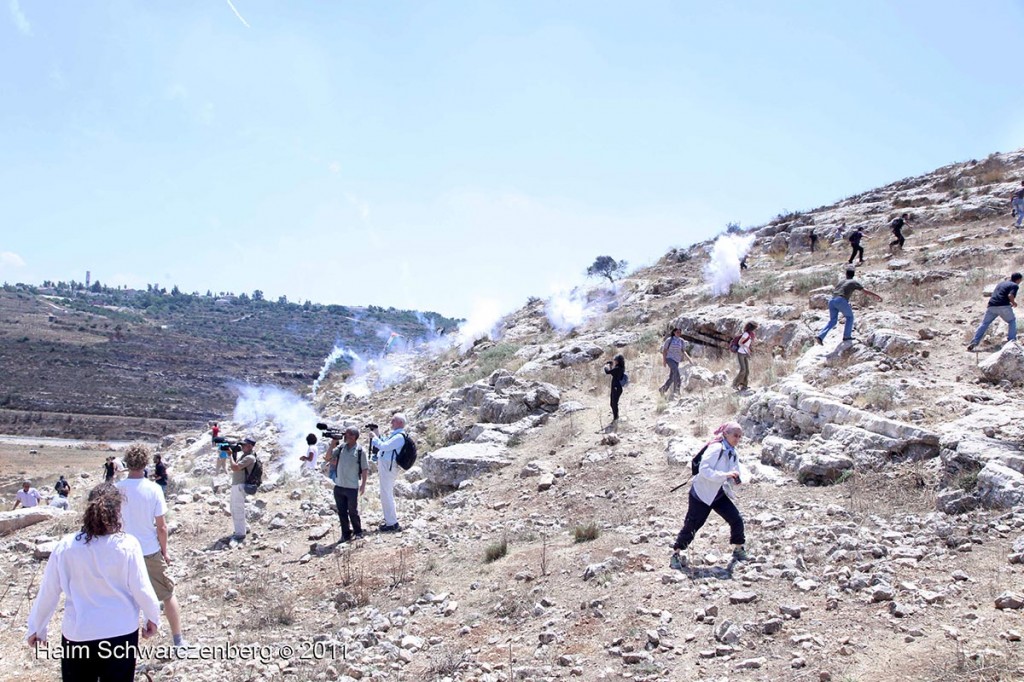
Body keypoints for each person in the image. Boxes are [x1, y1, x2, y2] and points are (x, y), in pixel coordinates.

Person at [25, 483, 160, 682]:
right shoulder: (127, 545)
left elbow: (49, 591)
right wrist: (152, 617)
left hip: (79, 633)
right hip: (120, 632)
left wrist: (37, 628)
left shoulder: (66, 546)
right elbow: (141, 588)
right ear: (118, 511)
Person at [117, 444, 189, 649]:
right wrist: (164, 552)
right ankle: (178, 641)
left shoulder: (117, 489)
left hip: (123, 550)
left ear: (127, 463)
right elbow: (162, 527)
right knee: (167, 594)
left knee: (125, 598)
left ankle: (124, 645)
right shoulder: (154, 489)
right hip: (148, 550)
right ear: (145, 463)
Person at [670, 422, 749, 568]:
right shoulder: (716, 448)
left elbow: (734, 470)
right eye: (735, 436)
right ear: (726, 434)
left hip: (718, 493)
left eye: (740, 436)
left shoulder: (732, 452)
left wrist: (735, 478)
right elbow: (704, 470)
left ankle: (738, 549)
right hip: (701, 494)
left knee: (736, 519)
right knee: (692, 525)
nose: (737, 439)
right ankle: (676, 553)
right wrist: (725, 475)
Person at [815, 268, 883, 344]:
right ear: (853, 275)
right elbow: (865, 292)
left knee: (833, 321)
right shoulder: (853, 282)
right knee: (850, 317)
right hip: (840, 300)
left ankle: (820, 336)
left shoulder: (841, 281)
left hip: (831, 300)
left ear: (846, 274)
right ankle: (847, 336)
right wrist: (876, 295)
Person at [326, 427, 368, 542]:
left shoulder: (360, 451)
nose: (345, 435)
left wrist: (363, 485)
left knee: (353, 511)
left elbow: (365, 469)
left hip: (351, 487)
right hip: (339, 486)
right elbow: (328, 458)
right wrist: (332, 444)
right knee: (342, 512)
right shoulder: (340, 448)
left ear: (354, 436)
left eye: (348, 434)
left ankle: (358, 531)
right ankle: (345, 534)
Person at [369, 415, 409, 533]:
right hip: (387, 466)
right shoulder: (396, 435)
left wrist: (374, 438)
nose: (391, 422)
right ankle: (390, 520)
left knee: (386, 494)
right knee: (385, 493)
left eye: (393, 420)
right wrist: (376, 432)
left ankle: (392, 523)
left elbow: (384, 446)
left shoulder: (399, 437)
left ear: (400, 423)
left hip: (389, 467)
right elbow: (384, 442)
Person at [968, 272, 1022, 351]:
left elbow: (997, 294)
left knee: (984, 323)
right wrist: (1013, 303)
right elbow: (1010, 295)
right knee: (1011, 321)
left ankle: (974, 342)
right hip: (1004, 306)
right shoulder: (1014, 285)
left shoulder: (1001, 284)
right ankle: (1011, 342)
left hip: (992, 305)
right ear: (1018, 280)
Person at [228, 437, 258, 542]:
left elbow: (235, 467)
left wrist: (230, 455)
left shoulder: (249, 457)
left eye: (244, 445)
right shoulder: (245, 456)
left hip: (240, 485)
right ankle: (245, 527)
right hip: (237, 485)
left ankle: (240, 534)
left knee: (237, 509)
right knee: (233, 507)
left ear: (250, 446)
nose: (242, 447)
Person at [660, 328, 692, 398]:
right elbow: (664, 350)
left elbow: (683, 351)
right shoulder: (669, 340)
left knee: (672, 377)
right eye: (677, 332)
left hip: (677, 360)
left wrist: (689, 359)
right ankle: (676, 391)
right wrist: (664, 361)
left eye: (680, 332)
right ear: (674, 332)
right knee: (676, 373)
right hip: (669, 358)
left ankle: (663, 389)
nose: (679, 333)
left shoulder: (681, 341)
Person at [732, 322, 757, 391]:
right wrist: (746, 347)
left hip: (745, 353)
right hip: (741, 353)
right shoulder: (746, 334)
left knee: (747, 371)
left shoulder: (751, 334)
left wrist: (748, 351)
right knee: (743, 370)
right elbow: (740, 342)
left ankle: (744, 385)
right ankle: (735, 384)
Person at [603, 354, 626, 423]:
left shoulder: (618, 368)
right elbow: (613, 373)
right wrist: (610, 365)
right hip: (616, 388)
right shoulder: (619, 368)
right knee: (613, 403)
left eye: (615, 360)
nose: (614, 361)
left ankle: (615, 418)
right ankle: (616, 417)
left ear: (618, 361)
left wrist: (605, 366)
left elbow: (608, 372)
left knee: (614, 404)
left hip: (616, 388)